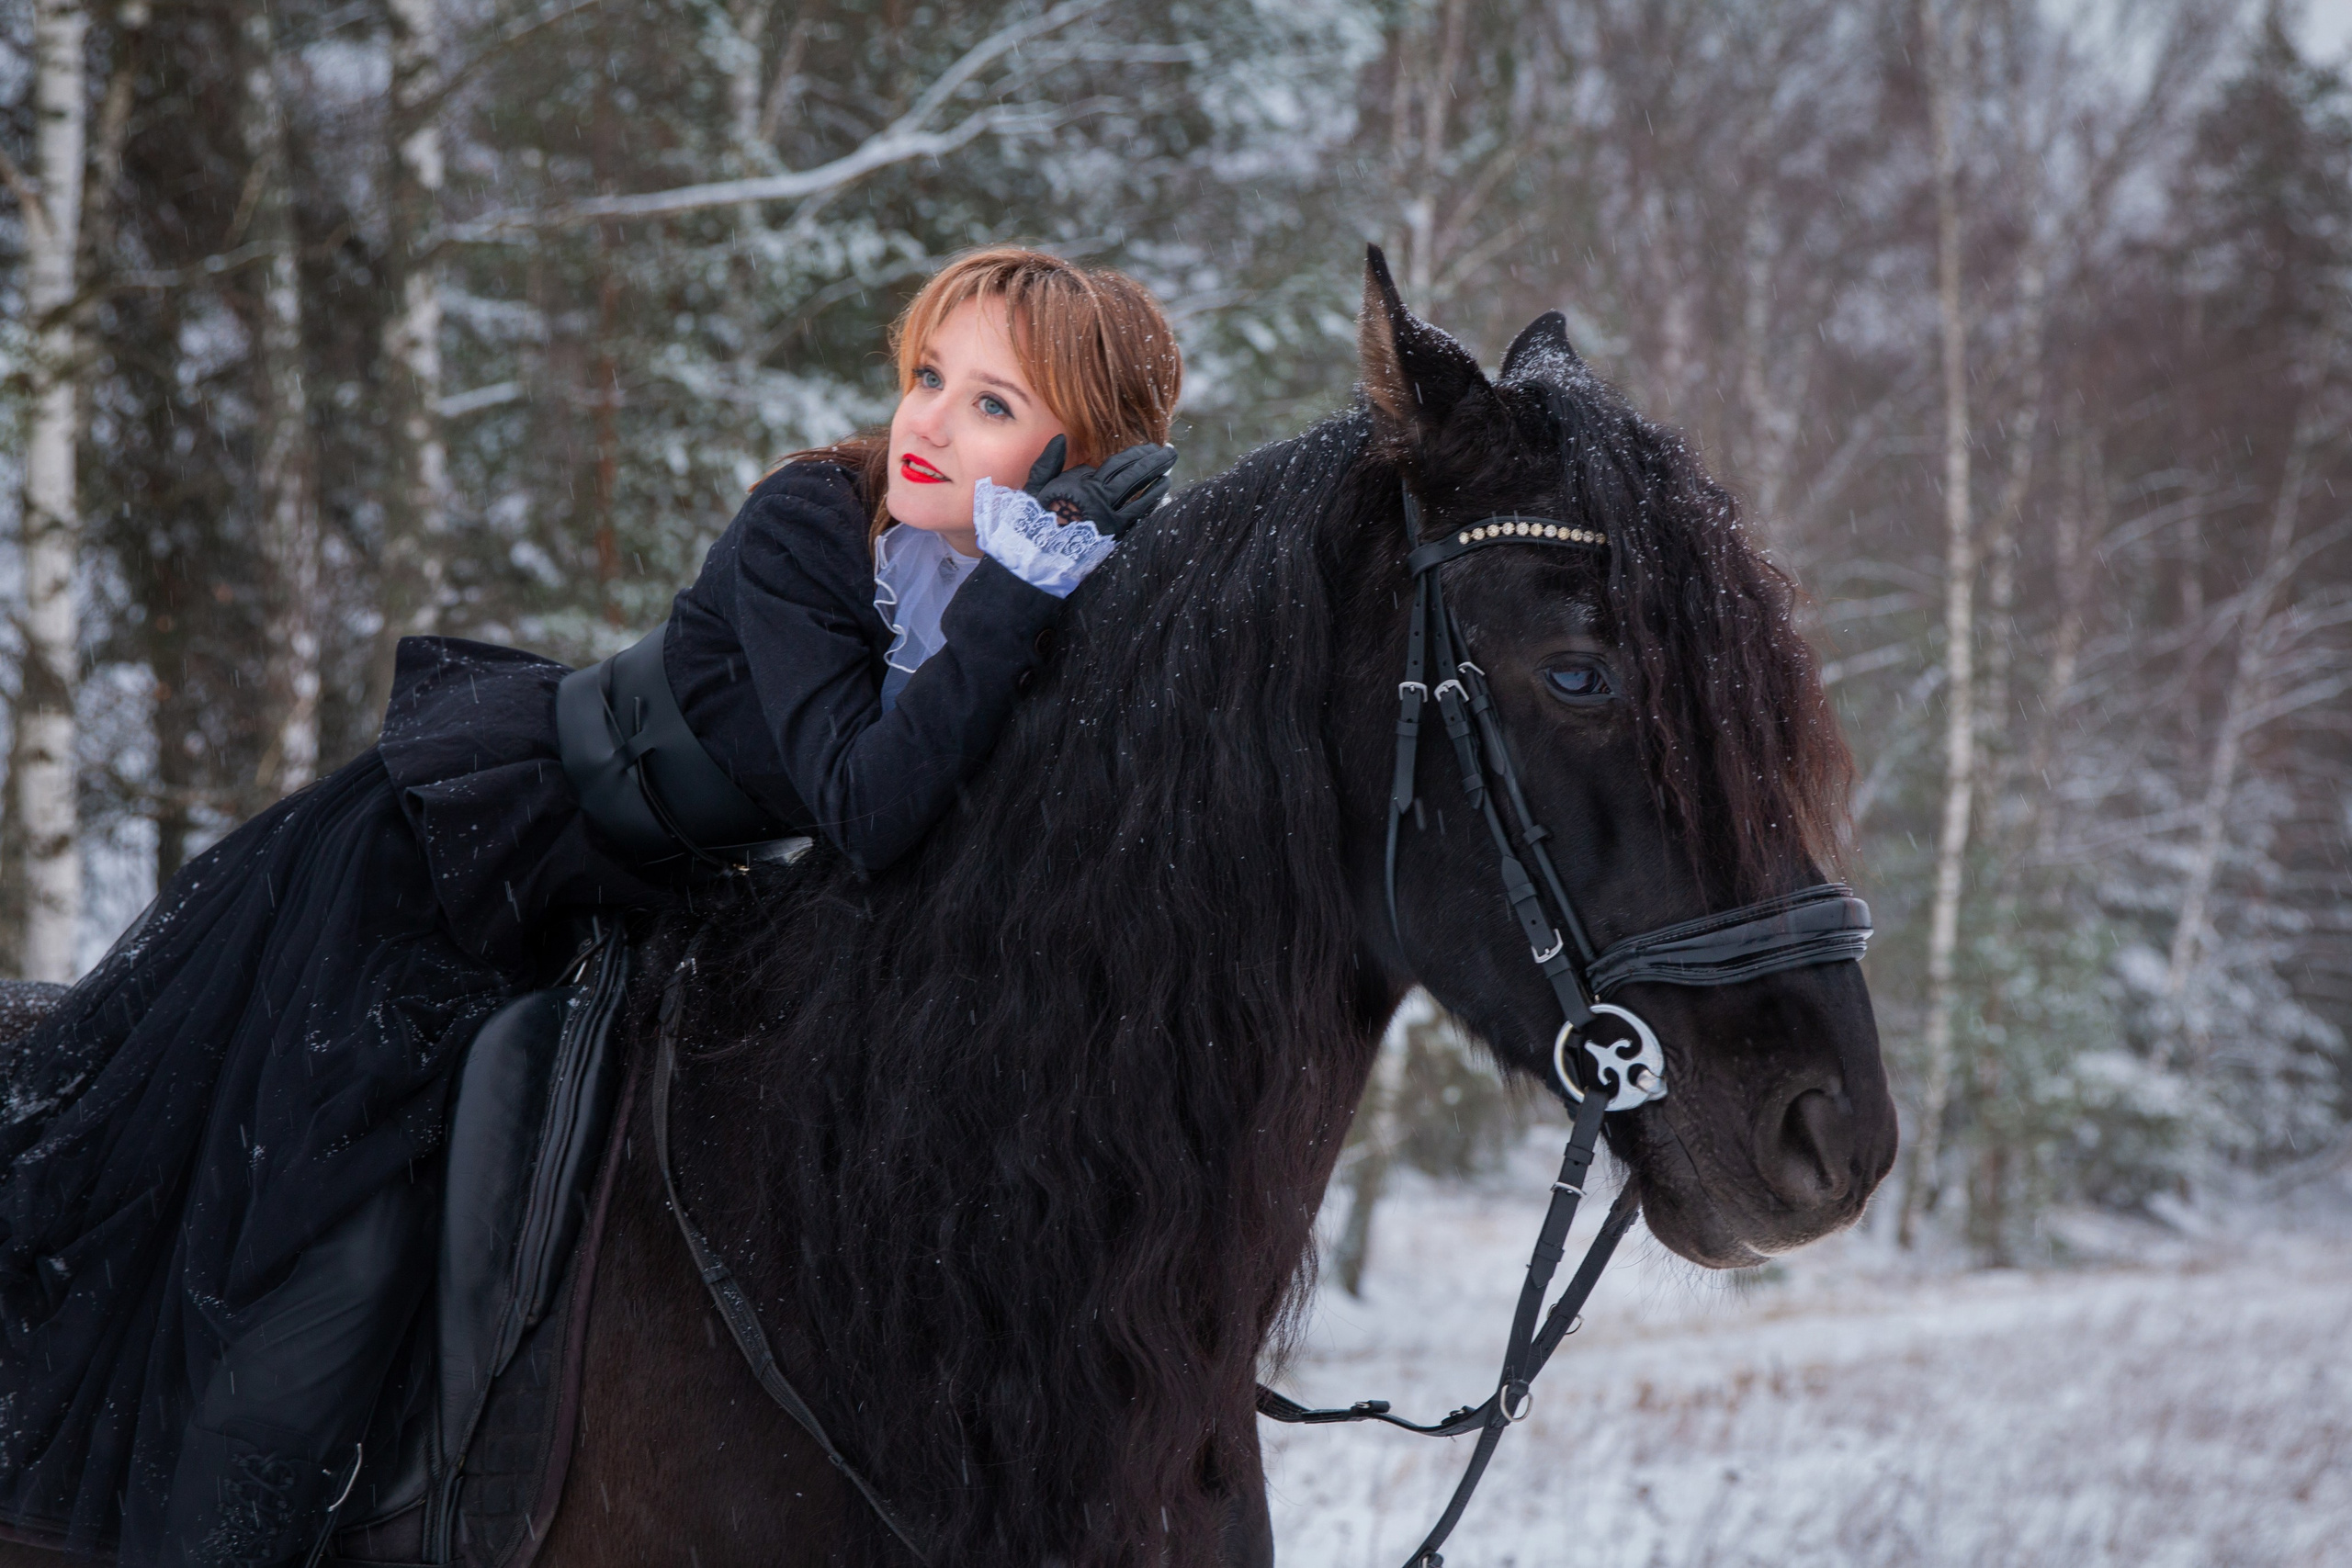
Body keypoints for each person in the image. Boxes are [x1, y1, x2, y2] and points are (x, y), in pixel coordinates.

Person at [0, 246, 1182, 1568]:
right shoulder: (815, 524)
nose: (928, 422)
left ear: (1082, 456)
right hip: (452, 860)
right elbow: (862, 805)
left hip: (648, 892)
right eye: (927, 375)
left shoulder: (1007, 586)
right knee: (334, 1220)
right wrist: (1025, 598)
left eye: (993, 405)